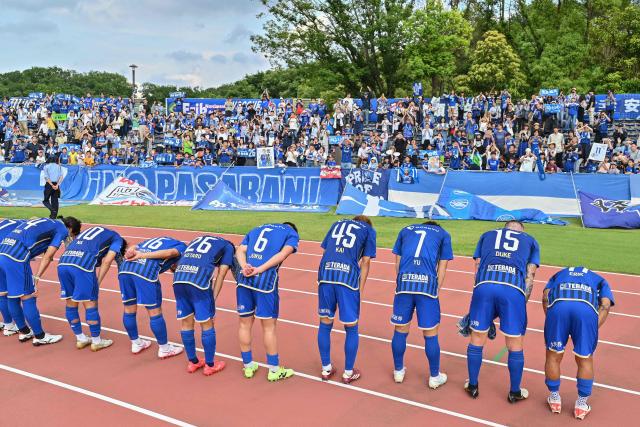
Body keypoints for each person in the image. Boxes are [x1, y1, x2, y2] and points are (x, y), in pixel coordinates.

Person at [464, 221, 540, 402]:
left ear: (505, 228)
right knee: (515, 343)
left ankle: (473, 386)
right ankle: (514, 391)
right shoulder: (530, 240)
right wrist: (522, 301)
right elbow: (531, 274)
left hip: (484, 285)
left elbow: (477, 266)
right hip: (513, 290)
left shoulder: (487, 234)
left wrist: (479, 295)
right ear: (522, 230)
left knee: (477, 338)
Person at [542, 267, 614, 420]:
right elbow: (606, 305)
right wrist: (592, 328)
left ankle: (555, 399)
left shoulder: (559, 274)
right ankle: (581, 405)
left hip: (558, 308)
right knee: (585, 358)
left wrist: (551, 320)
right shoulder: (598, 279)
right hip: (585, 311)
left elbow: (545, 297)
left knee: (553, 355)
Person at [0, 217, 81, 345]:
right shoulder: (62, 230)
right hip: (17, 256)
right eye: (72, 235)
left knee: (11, 295)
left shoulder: (45, 220)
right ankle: (40, 336)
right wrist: (37, 277)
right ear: (70, 229)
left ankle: (24, 331)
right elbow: (48, 256)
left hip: (3, 251)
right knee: (28, 296)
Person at [390, 221, 453, 388]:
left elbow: (398, 261)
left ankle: (398, 372)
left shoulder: (405, 229)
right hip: (427, 286)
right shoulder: (443, 233)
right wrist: (436, 289)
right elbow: (442, 266)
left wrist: (402, 281)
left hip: (404, 283)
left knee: (400, 329)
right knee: (430, 333)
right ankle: (434, 376)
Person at [235, 222, 299, 381]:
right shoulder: (291, 234)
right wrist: (260, 269)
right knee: (268, 328)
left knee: (244, 324)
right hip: (266, 283)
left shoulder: (256, 228)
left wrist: (245, 266)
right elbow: (282, 255)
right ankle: (274, 370)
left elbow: (240, 250)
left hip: (244, 279)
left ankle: (248, 367)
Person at [316, 216, 376, 384]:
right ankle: (348, 372)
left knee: (325, 323)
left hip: (326, 275)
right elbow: (365, 261)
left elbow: (326, 250)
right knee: (351, 327)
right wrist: (360, 289)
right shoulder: (368, 230)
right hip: (347, 279)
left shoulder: (337, 224)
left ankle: (326, 368)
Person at [173, 235, 235, 376]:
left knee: (186, 322)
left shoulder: (197, 239)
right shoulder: (229, 247)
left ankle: (193, 362)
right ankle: (210, 365)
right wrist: (212, 299)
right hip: (198, 281)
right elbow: (222, 273)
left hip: (178, 278)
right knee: (207, 324)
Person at [58, 226, 126, 351]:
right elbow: (107, 261)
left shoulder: (90, 232)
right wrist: (97, 282)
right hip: (83, 264)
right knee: (90, 303)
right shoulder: (117, 238)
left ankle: (80, 338)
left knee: (70, 303)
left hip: (63, 262)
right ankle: (96, 340)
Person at [118, 236, 187, 358]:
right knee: (155, 312)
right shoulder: (182, 247)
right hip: (145, 272)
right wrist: (141, 256)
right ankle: (164, 348)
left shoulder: (152, 241)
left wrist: (131, 250)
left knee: (129, 309)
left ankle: (136, 343)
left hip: (125, 268)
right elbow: (170, 253)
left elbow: (133, 247)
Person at [0, 218, 24, 336]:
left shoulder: (10, 221)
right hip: (4, 256)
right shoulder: (23, 228)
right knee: (5, 292)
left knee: (1, 292)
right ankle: (9, 325)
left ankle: (7, 324)